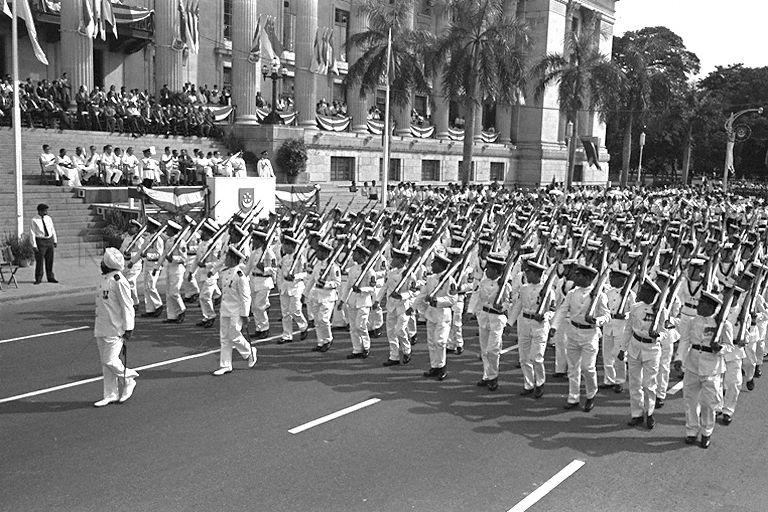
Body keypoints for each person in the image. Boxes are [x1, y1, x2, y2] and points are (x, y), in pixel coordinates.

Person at [674, 291, 732, 449]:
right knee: (690, 401)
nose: (698, 305)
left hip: (711, 368)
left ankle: (706, 432)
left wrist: (719, 348)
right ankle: (691, 430)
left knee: (708, 404)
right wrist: (679, 358)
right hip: (692, 364)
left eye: (701, 304)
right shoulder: (692, 321)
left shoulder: (723, 324)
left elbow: (729, 346)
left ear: (710, 306)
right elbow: (685, 340)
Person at [552, 264, 610, 412]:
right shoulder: (572, 293)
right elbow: (562, 310)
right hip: (572, 333)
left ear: (587, 278)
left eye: (578, 276)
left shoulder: (599, 295)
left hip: (589, 335)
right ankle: (573, 397)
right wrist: (554, 327)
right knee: (573, 368)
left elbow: (606, 316)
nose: (575, 278)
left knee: (588, 368)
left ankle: (591, 394)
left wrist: (597, 321)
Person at [93, 248, 139, 406]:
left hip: (115, 329)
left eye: (103, 261)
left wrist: (129, 328)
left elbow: (128, 305)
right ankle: (110, 394)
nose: (100, 263)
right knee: (105, 365)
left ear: (107, 264)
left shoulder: (119, 281)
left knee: (110, 360)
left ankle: (129, 377)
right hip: (101, 327)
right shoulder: (104, 279)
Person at [618, 279, 666, 430]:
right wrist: (622, 349)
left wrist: (657, 335)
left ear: (652, 294)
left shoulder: (661, 310)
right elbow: (628, 329)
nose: (641, 293)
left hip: (651, 350)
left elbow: (666, 331)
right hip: (634, 347)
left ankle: (649, 412)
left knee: (649, 385)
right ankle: (636, 414)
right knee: (634, 383)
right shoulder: (635, 307)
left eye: (644, 291)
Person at [509, 261, 554, 397]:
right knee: (524, 358)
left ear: (536, 274)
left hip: (539, 325)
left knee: (536, 357)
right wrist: (510, 322)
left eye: (529, 273)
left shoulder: (548, 290)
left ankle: (540, 382)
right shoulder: (524, 288)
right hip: (524, 323)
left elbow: (552, 310)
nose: (526, 275)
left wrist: (545, 316)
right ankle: (528, 384)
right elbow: (518, 305)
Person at [211, 246, 257, 375]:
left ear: (233, 259)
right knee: (224, 337)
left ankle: (249, 351)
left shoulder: (240, 275)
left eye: (227, 257)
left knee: (234, 335)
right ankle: (225, 365)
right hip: (225, 308)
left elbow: (245, 296)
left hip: (236, 310)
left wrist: (245, 314)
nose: (225, 259)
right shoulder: (225, 272)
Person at [414, 253, 458, 381]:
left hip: (443, 315)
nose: (432, 265)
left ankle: (442, 366)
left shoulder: (449, 280)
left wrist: (437, 301)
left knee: (440, 342)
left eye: (434, 263)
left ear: (440, 265)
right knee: (431, 342)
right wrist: (413, 307)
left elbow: (453, 298)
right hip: (432, 314)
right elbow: (422, 294)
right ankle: (435, 366)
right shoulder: (431, 278)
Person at [308, 241, 341, 352]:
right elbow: (312, 280)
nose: (317, 253)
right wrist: (305, 294)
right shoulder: (317, 265)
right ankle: (320, 341)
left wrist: (326, 284)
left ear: (325, 253)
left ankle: (328, 339)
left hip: (328, 297)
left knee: (324, 319)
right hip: (317, 295)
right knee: (317, 320)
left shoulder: (333, 266)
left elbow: (337, 282)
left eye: (319, 251)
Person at [277, 236, 309, 343]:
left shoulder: (300, 258)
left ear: (291, 246)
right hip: (285, 287)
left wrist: (295, 276)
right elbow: (280, 273)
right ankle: (287, 335)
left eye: (286, 245)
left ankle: (303, 326)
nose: (284, 247)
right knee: (285, 313)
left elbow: (305, 273)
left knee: (295, 310)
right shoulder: (284, 258)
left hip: (296, 286)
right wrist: (280, 286)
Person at [245, 230, 277, 338]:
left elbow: (274, 268)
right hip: (254, 281)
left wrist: (263, 268)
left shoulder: (268, 253)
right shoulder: (254, 253)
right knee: (254, 307)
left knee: (260, 306)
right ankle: (259, 328)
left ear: (260, 241)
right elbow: (248, 268)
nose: (253, 242)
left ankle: (265, 328)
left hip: (264, 282)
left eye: (255, 240)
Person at [30, 203, 58, 285]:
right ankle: (38, 278)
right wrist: (34, 245)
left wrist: (55, 240)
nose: (45, 212)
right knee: (40, 261)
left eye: (46, 210)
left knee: (50, 260)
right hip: (40, 241)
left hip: (49, 240)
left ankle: (50, 277)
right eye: (44, 211)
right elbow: (32, 233)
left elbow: (52, 229)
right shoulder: (34, 220)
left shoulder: (48, 218)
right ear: (39, 211)